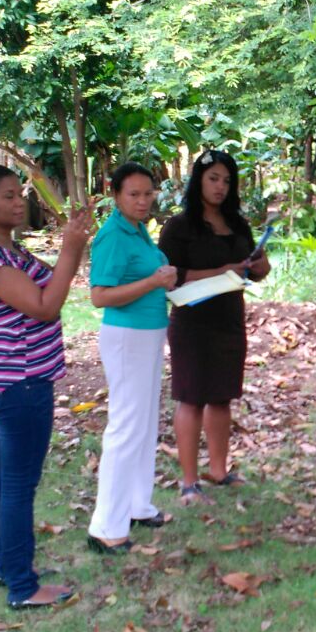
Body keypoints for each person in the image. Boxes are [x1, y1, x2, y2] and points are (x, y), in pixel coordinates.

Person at [0, 164, 93, 609]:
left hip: (22, 380)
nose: (19, 203)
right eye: (6, 196)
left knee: (6, 482)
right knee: (19, 485)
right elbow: (45, 306)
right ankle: (22, 585)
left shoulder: (11, 252)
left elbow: (45, 288)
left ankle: (9, 567)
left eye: (20, 195)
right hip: (19, 383)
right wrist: (72, 250)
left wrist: (70, 242)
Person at [158, 150, 271, 504]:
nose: (220, 187)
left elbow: (253, 268)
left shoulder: (237, 224)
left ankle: (219, 470)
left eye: (226, 180)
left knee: (222, 397)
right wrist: (223, 271)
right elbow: (170, 276)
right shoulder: (179, 226)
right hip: (192, 321)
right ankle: (189, 481)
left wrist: (259, 265)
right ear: (198, 181)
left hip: (229, 318)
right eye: (213, 179)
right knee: (191, 398)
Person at [87, 162, 178, 554]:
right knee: (125, 427)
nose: (143, 202)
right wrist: (155, 281)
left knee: (144, 423)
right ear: (115, 195)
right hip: (126, 338)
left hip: (148, 334)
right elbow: (100, 296)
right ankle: (106, 526)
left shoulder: (139, 231)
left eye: (148, 194)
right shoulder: (113, 236)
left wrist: (165, 282)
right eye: (133, 195)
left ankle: (138, 505)